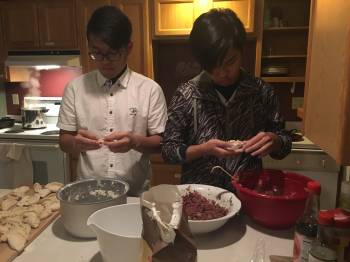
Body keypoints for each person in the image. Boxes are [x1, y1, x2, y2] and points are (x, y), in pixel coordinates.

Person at [161, 8, 292, 192]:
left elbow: (284, 144)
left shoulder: (261, 92)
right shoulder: (187, 95)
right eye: (212, 67)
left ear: (242, 50)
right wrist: (203, 149)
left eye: (230, 62)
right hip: (200, 199)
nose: (222, 73)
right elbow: (168, 151)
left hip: (248, 196)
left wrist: (275, 140)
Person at [57, 6, 167, 196]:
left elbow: (161, 142)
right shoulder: (75, 88)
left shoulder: (149, 89)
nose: (105, 61)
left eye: (113, 53)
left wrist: (135, 141)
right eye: (97, 53)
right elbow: (63, 140)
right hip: (88, 192)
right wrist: (76, 143)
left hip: (134, 194)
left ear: (129, 47)